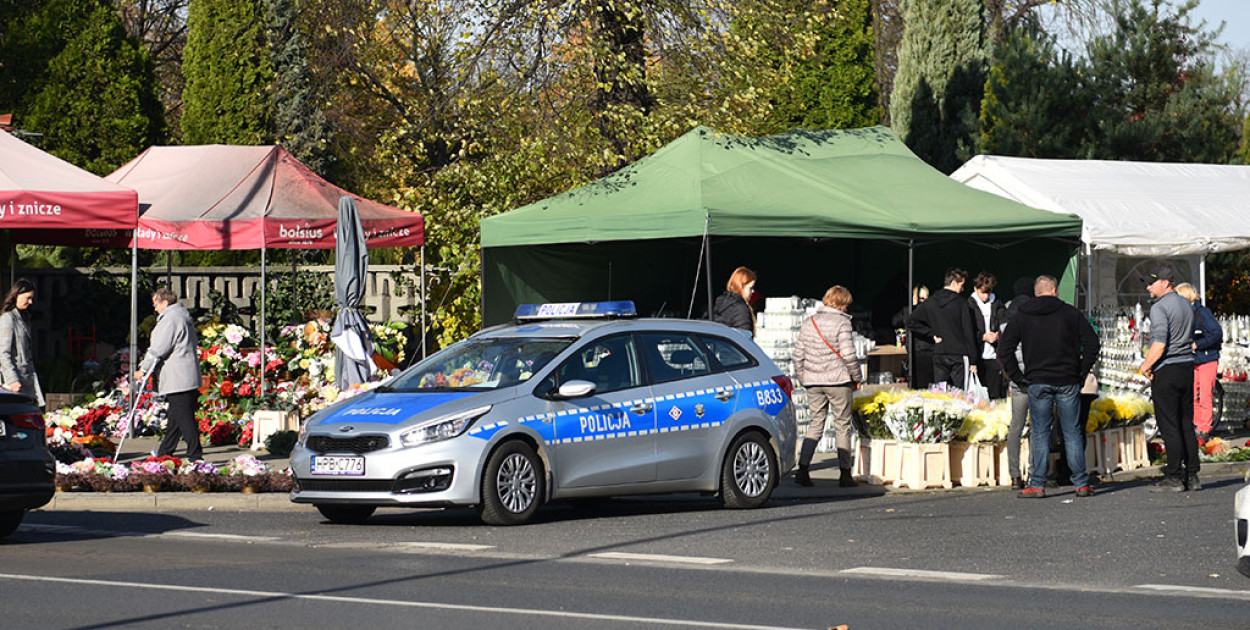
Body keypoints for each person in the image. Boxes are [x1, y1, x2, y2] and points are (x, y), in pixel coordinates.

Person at [998, 275, 1100, 498]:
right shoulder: (1071, 313)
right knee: (1072, 432)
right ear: (1055, 291)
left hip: (1036, 380)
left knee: (1040, 433)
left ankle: (1037, 484)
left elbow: (1005, 349)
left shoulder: (1023, 315)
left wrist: (1018, 377)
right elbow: (1093, 343)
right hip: (1067, 379)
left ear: (1036, 292)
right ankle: (1081, 483)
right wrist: (1081, 372)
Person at [792, 285, 861, 487]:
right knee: (842, 426)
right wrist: (857, 376)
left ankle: (803, 470)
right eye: (846, 304)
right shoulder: (842, 323)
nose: (847, 309)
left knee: (815, 425)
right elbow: (848, 354)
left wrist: (804, 378)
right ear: (841, 304)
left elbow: (798, 356)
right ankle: (845, 475)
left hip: (814, 382)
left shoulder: (809, 322)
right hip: (839, 381)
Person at [1140, 267, 1200, 492]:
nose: (1148, 287)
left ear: (1165, 283)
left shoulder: (1160, 307)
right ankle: (1192, 475)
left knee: (1169, 424)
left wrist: (1145, 366)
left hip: (1168, 368)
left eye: (1151, 283)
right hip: (1186, 366)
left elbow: (1160, 343)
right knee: (1186, 422)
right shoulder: (1186, 304)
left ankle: (1174, 476)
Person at [136, 288, 204, 461]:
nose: (155, 308)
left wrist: (143, 369)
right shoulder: (183, 316)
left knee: (183, 417)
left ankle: (195, 455)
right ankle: (165, 452)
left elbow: (158, 348)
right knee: (175, 417)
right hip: (185, 373)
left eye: (156, 304)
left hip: (178, 376)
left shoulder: (170, 320)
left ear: (165, 303)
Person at [907, 267, 978, 389]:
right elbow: (968, 332)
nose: (962, 289)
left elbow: (910, 321)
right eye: (962, 285)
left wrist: (931, 334)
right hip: (959, 354)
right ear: (954, 283)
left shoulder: (931, 302)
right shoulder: (961, 303)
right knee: (961, 394)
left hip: (939, 352)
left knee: (940, 392)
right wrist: (973, 360)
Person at [1176, 282, 1222, 439]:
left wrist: (1198, 344)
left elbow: (1216, 333)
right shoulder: (1186, 313)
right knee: (1192, 393)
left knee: (1205, 394)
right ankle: (1196, 424)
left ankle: (1205, 428)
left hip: (1207, 358)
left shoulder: (1202, 313)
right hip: (1193, 360)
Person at [1001, 276, 1034, 489]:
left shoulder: (1006, 316)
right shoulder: (1034, 313)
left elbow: (1004, 349)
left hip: (1016, 378)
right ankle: (1034, 472)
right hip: (1036, 375)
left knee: (1016, 425)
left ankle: (1014, 475)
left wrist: (1012, 374)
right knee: (1039, 427)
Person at [0, 279, 44, 407]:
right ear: (16, 295)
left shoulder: (23, 318)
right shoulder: (8, 318)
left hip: (27, 379)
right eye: (27, 298)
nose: (30, 302)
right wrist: (12, 379)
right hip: (14, 382)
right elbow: (3, 352)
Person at [968, 271, 1007, 399]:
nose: (985, 296)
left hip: (994, 356)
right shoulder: (969, 305)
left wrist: (997, 335)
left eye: (988, 292)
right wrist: (982, 337)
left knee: (995, 394)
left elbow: (1004, 324)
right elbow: (967, 331)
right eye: (982, 292)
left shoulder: (998, 304)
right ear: (975, 289)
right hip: (976, 356)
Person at [892, 285, 932, 389]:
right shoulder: (931, 311)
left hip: (914, 350)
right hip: (930, 348)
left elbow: (895, 321)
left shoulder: (908, 311)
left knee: (915, 383)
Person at [712, 266, 757, 335]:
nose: (753, 291)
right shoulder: (741, 308)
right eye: (750, 288)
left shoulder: (721, 304)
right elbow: (744, 337)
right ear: (741, 287)